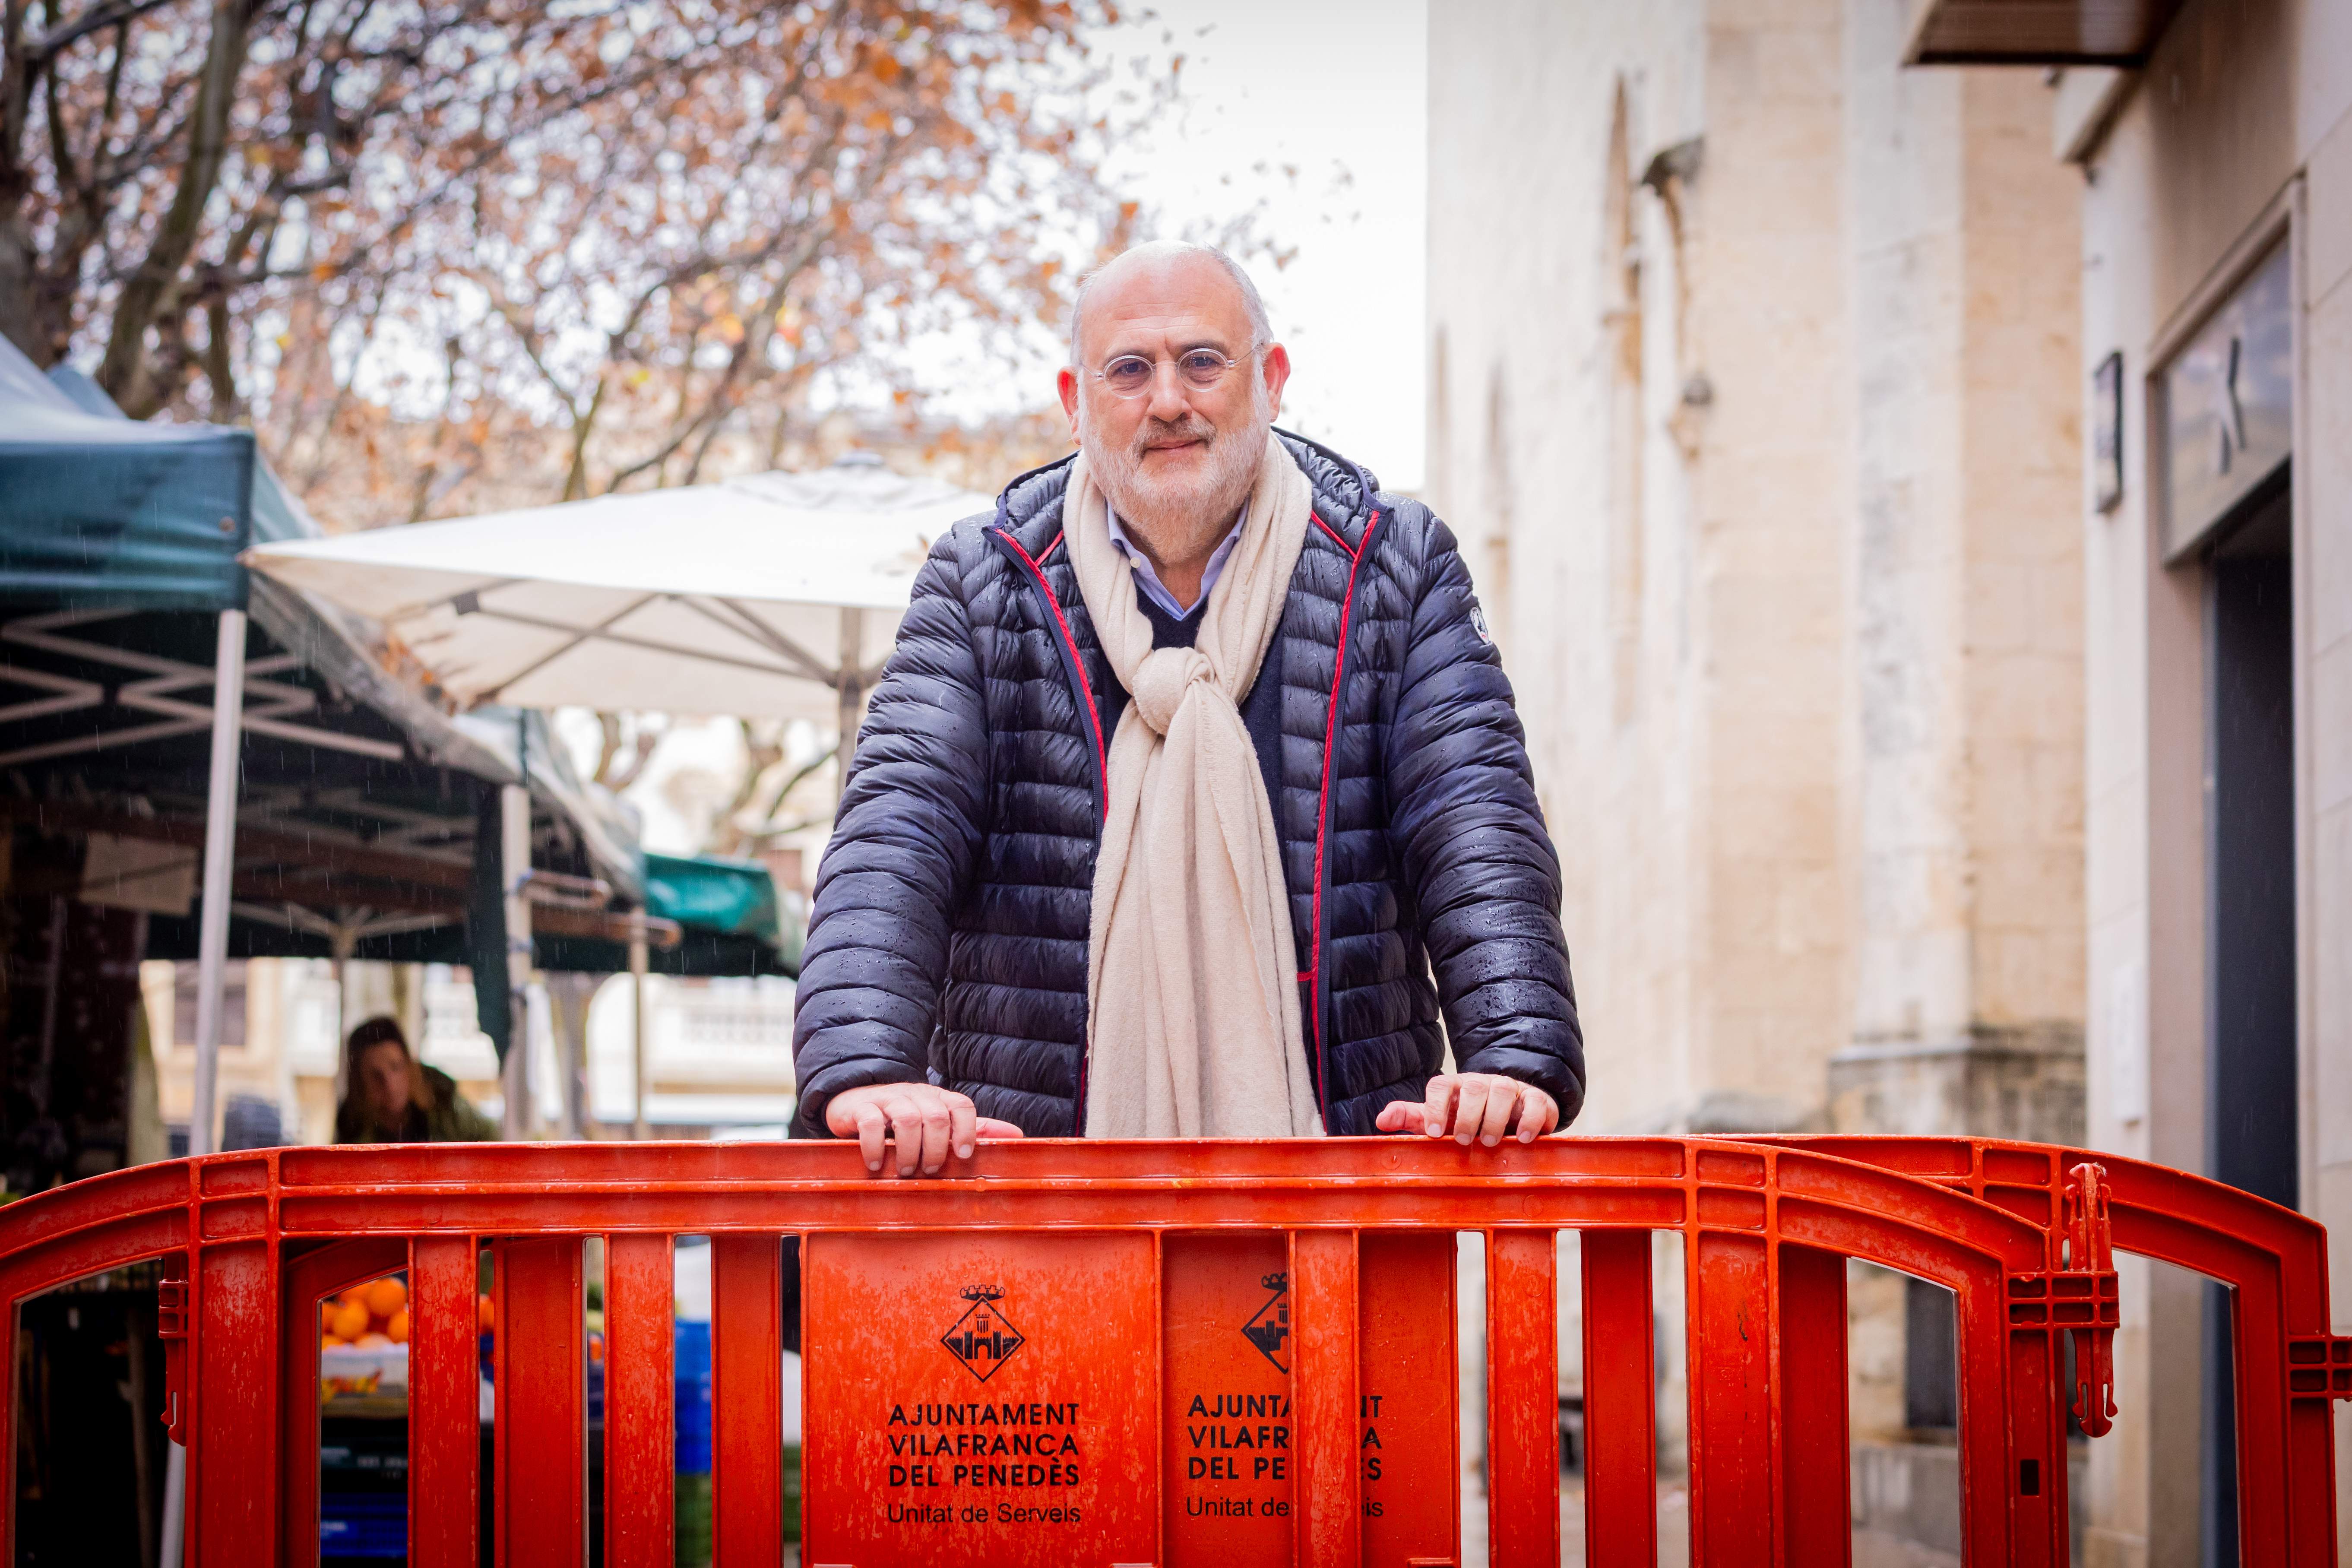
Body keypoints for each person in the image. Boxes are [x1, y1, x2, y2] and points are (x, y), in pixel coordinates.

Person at [791, 240, 1583, 1175]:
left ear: (1271, 378)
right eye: (1128, 370)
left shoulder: (1394, 565)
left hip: (1342, 1184)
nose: (1167, 400)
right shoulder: (983, 581)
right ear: (1074, 401)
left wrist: (1511, 1055)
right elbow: (896, 831)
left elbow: (1472, 817)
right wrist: (866, 1068)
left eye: (1200, 362)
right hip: (1037, 1191)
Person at [333, 1016, 498, 1144]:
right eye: (376, 1076)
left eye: (396, 1067)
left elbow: (493, 1142)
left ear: (410, 1067)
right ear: (360, 1083)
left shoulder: (444, 1104)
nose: (390, 1085)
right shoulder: (350, 1128)